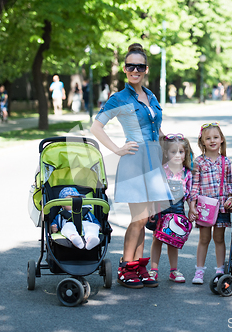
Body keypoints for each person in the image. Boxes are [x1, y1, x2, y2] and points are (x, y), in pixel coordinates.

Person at [90, 43, 171, 289]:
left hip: (153, 160)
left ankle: (139, 266)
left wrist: (170, 152)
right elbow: (96, 127)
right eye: (130, 66)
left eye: (139, 66)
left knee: (146, 218)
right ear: (125, 69)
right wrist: (117, 149)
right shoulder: (120, 98)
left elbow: (156, 129)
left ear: (146, 69)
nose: (135, 70)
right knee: (138, 218)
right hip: (135, 161)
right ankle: (127, 267)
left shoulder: (151, 96)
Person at [189, 122, 232, 284]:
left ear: (221, 139)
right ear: (202, 142)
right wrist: (192, 205)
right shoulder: (199, 162)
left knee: (219, 238)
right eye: (208, 138)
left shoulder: (226, 162)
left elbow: (230, 184)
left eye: (215, 137)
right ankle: (199, 271)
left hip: (222, 206)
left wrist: (231, 198)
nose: (212, 141)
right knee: (204, 238)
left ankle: (220, 271)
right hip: (205, 208)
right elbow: (194, 185)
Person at [148, 133, 193, 283]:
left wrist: (192, 209)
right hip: (161, 208)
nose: (177, 155)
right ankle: (153, 270)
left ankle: (174, 271)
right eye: (173, 152)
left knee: (173, 240)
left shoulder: (186, 173)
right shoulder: (161, 170)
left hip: (178, 210)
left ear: (185, 153)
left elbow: (189, 194)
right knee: (157, 239)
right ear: (166, 153)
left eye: (181, 152)